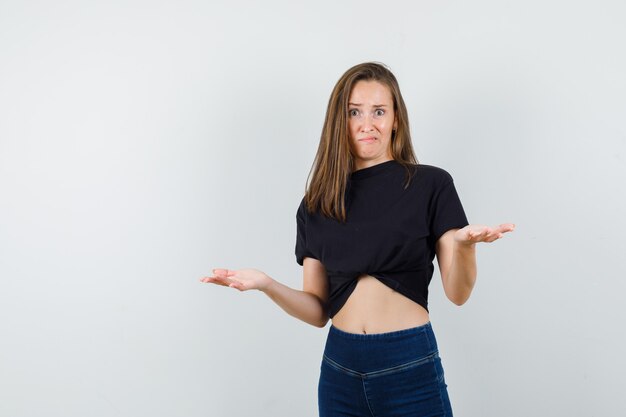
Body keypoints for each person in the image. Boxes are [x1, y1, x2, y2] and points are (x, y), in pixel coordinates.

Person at [201, 62, 514, 416]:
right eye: (355, 112)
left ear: (396, 118)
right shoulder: (317, 203)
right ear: (341, 121)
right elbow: (319, 311)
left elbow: (458, 294)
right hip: (340, 371)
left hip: (409, 365)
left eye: (379, 111)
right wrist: (266, 284)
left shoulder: (431, 185)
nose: (368, 124)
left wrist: (464, 246)